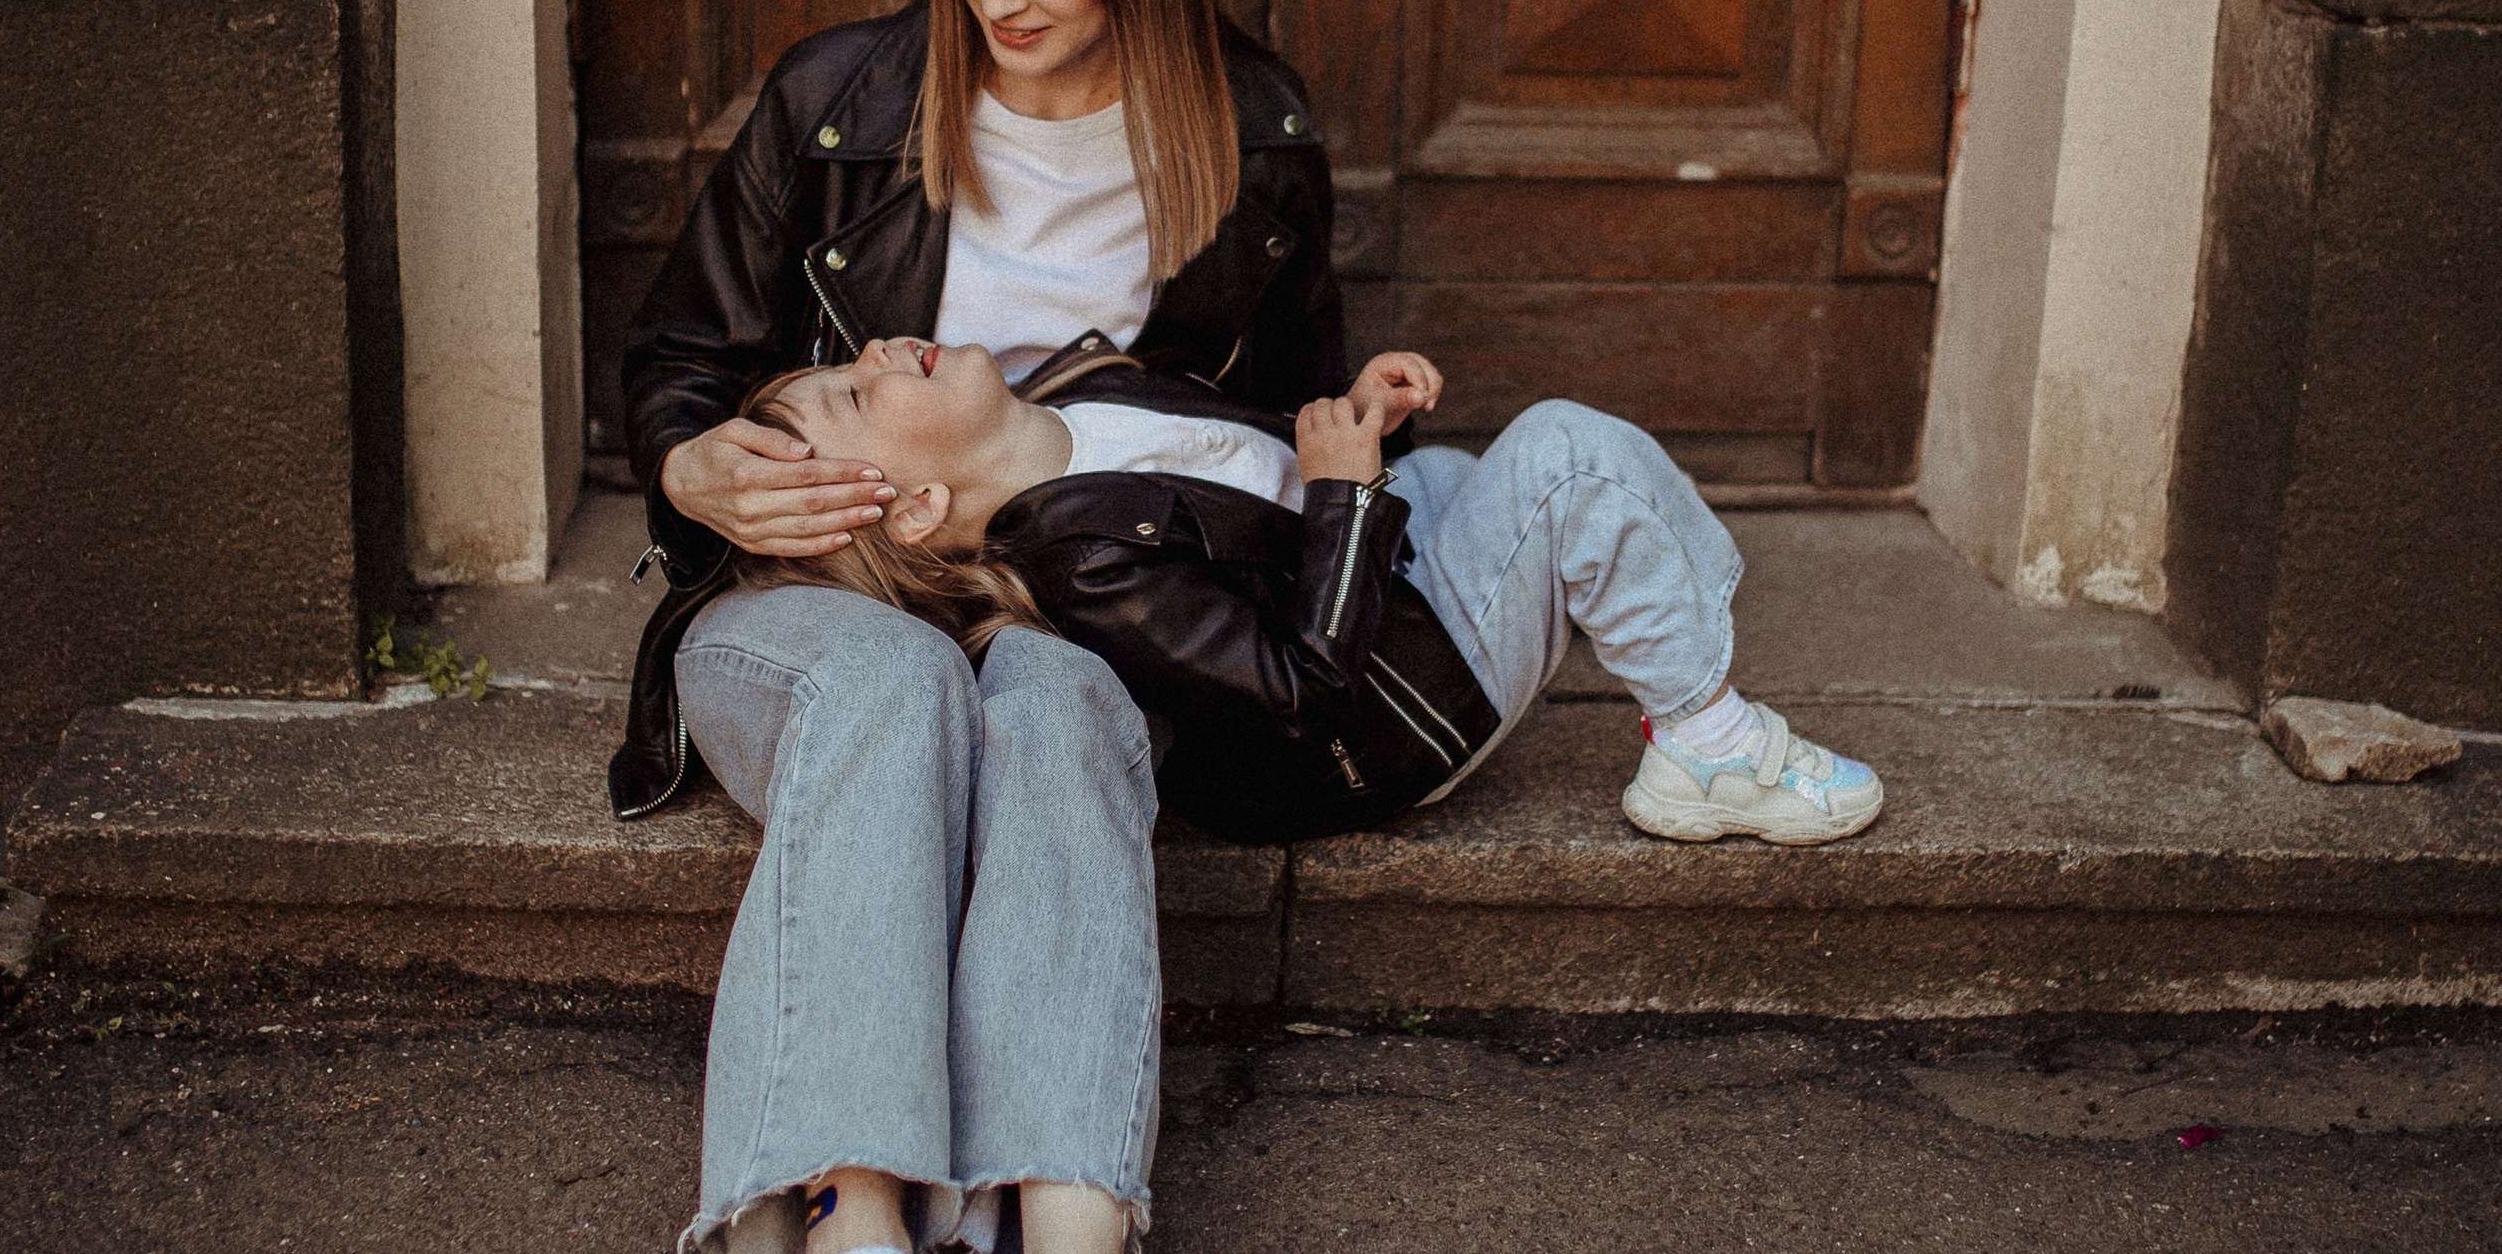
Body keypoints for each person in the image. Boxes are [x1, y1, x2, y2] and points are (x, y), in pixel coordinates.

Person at [613, 0, 1349, 1254]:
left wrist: (1120, 578)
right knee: (894, 689)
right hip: (810, 609)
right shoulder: (841, 104)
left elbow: (1262, 439)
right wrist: (704, 466)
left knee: (1058, 708)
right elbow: (676, 375)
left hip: (1063, 612)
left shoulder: (1253, 141)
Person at [740, 333, 1886, 857]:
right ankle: (1709, 741)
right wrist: (1342, 501)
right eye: (856, 391)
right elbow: (1299, 690)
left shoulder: (1077, 391)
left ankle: (1644, 620)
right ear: (918, 509)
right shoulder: (1083, 569)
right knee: (1567, 460)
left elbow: (1245, 474)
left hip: (1374, 568)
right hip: (1385, 708)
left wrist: (1350, 427)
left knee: (1459, 475)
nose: (880, 348)